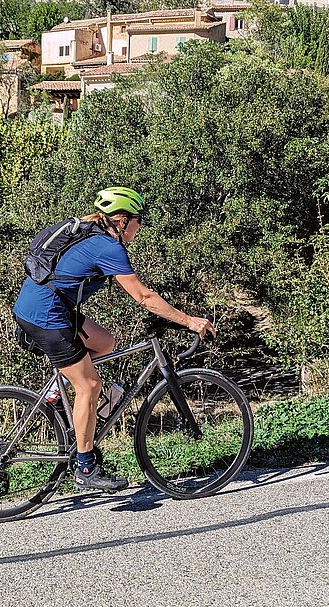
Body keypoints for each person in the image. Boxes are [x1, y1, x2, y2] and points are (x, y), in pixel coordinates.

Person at [13, 186, 216, 492]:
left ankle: (57, 399)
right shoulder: (107, 247)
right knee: (90, 386)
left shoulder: (93, 234)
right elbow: (143, 296)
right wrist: (189, 321)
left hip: (43, 306)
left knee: (105, 342)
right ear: (122, 221)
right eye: (139, 220)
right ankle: (84, 467)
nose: (141, 226)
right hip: (46, 315)